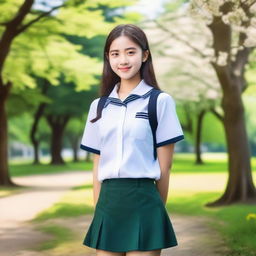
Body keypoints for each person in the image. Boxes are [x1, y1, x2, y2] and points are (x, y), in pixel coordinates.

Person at [80, 24, 184, 256]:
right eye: (115, 54)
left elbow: (165, 167)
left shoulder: (160, 101)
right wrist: (99, 209)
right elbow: (97, 163)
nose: (123, 60)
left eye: (130, 52)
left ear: (145, 55)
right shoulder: (98, 106)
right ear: (108, 58)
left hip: (145, 201)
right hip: (108, 203)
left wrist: (156, 212)